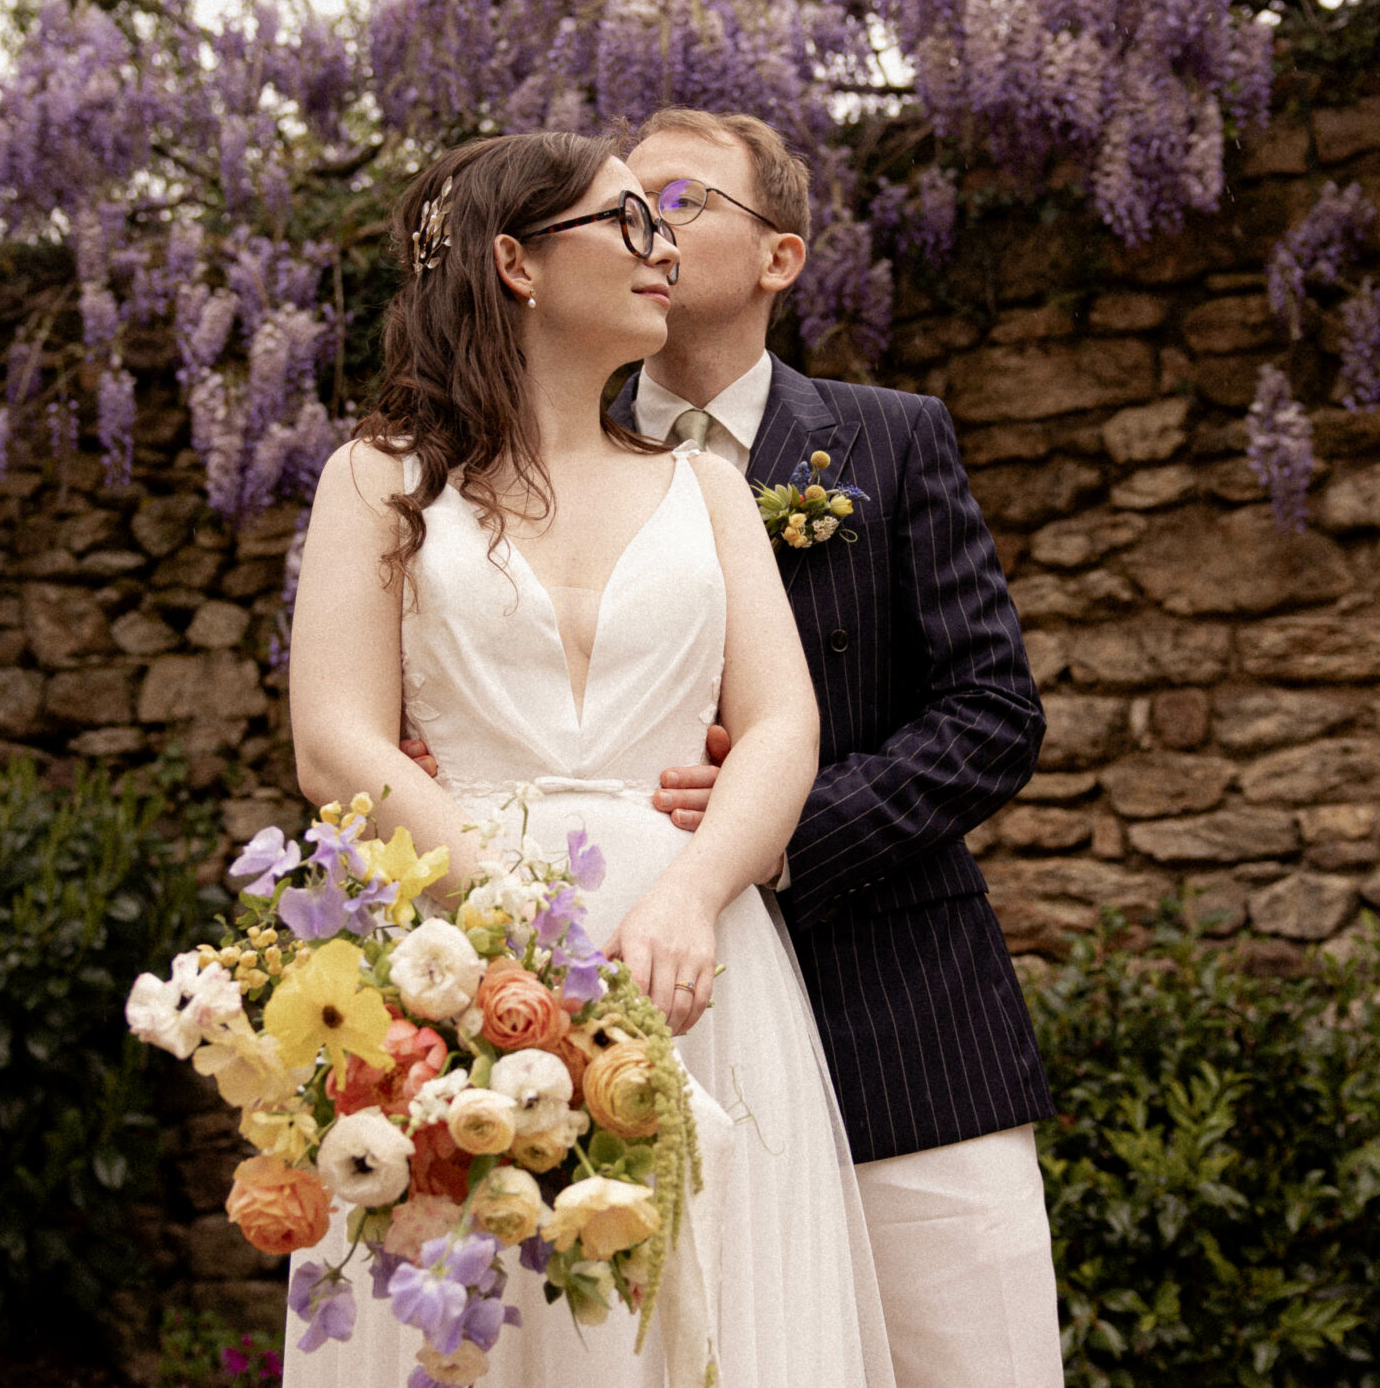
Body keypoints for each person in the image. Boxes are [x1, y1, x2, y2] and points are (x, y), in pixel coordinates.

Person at [410, 108, 1064, 1386]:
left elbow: (993, 714)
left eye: (682, 201)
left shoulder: (889, 436)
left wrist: (758, 835)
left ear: (780, 258)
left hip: (901, 1031)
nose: (647, 229)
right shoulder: (505, 472)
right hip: (618, 1027)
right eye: (627, 207)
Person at [283, 131, 895, 1388]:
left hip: (692, 963)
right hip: (463, 947)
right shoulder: (379, 480)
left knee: (709, 1309)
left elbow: (783, 725)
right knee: (488, 1307)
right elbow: (334, 737)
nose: (663, 247)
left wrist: (691, 890)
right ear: (514, 262)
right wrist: (507, 925)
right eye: (626, 223)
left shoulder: (709, 489)